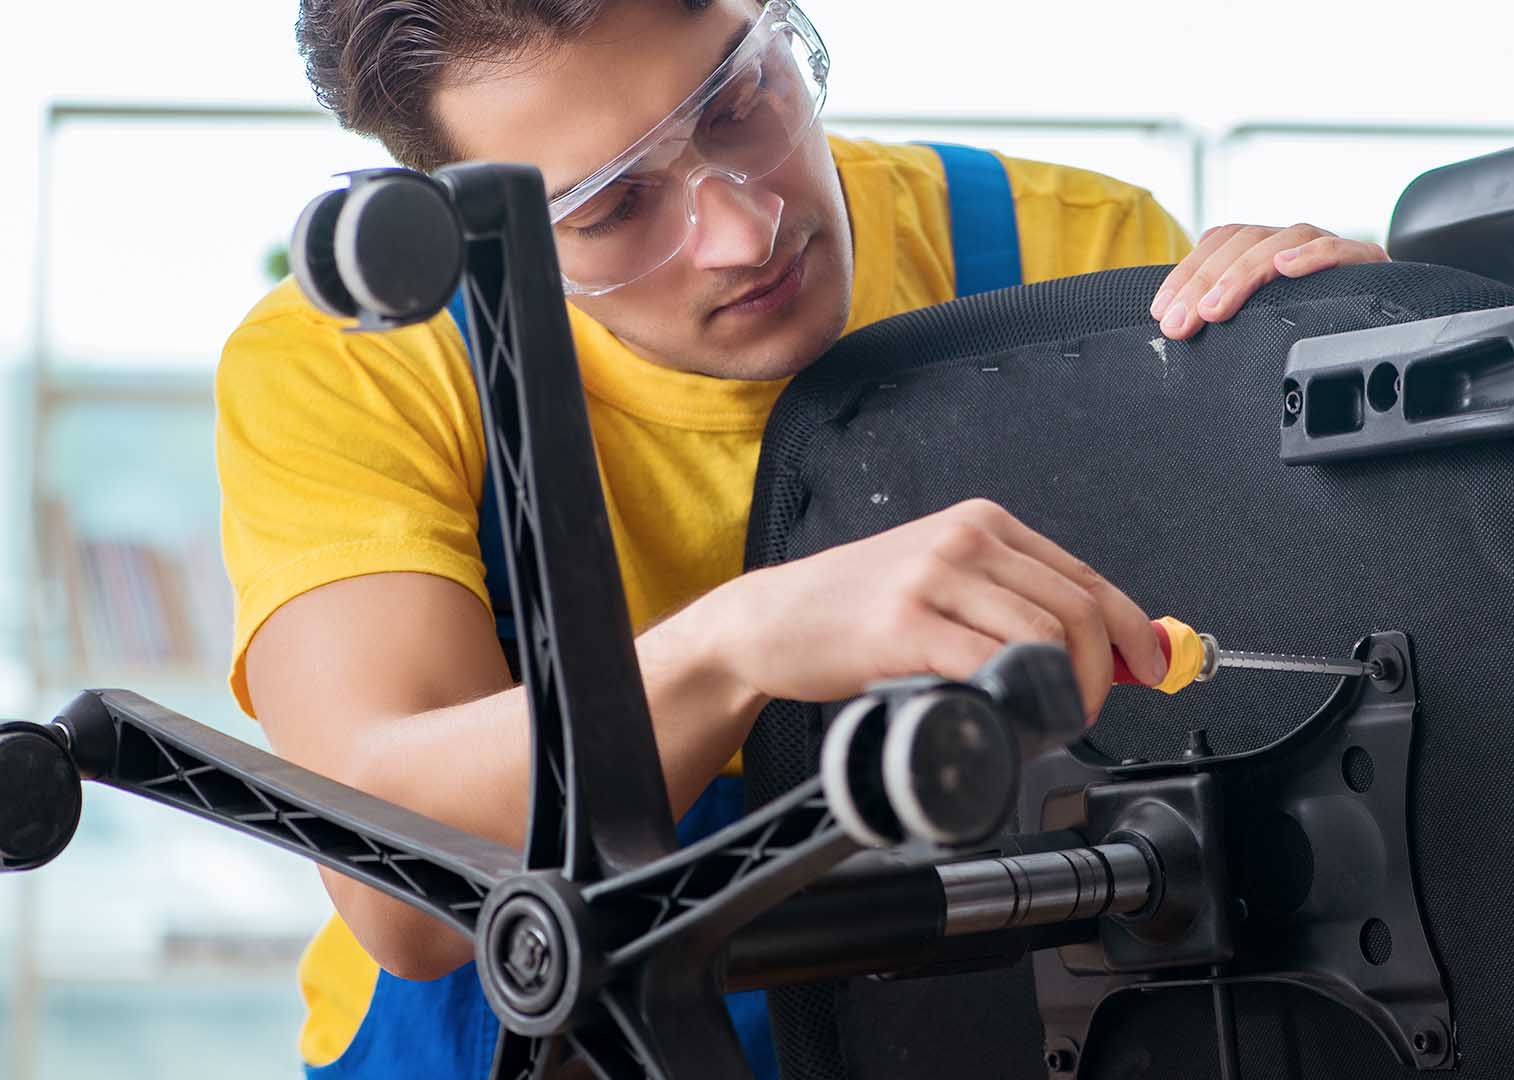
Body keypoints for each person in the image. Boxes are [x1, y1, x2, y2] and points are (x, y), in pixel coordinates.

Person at [216, 0, 1391, 1074]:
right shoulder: (362, 365)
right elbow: (407, 902)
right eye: (613, 206)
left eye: (738, 102)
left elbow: (1269, 693)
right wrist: (739, 644)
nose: (744, 227)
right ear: (451, 220)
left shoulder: (1074, 262)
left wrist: (1383, 394)